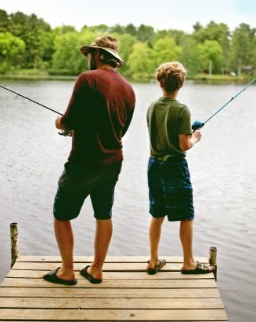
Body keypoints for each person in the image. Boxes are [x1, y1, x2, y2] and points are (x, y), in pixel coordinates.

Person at [44, 36, 136, 285]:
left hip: (84, 161)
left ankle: (67, 271)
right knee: (103, 213)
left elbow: (70, 120)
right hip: (113, 161)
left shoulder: (87, 79)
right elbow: (119, 130)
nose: (89, 58)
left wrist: (60, 123)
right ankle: (96, 270)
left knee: (62, 214)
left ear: (98, 55)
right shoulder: (129, 89)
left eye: (91, 54)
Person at [146, 61, 212, 275]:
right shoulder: (182, 109)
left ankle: (153, 260)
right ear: (181, 85)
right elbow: (184, 145)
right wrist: (195, 137)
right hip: (174, 166)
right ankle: (188, 262)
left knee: (157, 213)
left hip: (154, 164)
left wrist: (185, 129)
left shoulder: (152, 107)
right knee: (185, 214)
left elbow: (162, 132)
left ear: (159, 82)